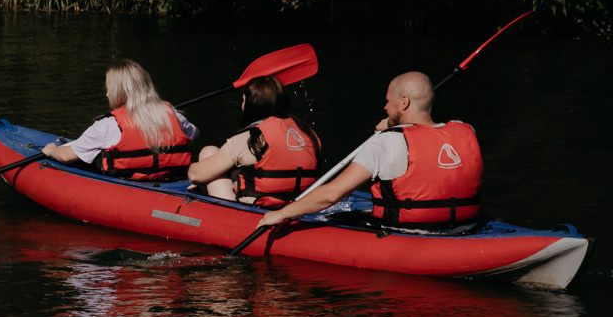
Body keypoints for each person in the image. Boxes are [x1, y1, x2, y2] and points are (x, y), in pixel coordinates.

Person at [254, 71, 483, 231]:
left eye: (388, 101)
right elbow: (425, 135)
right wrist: (395, 125)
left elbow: (332, 194)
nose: (385, 107)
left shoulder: (385, 142)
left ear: (404, 102)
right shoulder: (465, 129)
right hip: (467, 227)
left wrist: (281, 214)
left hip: (409, 232)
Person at [39, 59, 196, 180]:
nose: (107, 94)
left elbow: (66, 156)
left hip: (131, 179)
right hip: (170, 176)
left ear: (120, 91)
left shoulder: (108, 125)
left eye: (110, 89)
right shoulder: (172, 114)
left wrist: (53, 150)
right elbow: (193, 133)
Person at [185, 75, 321, 205]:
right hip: (297, 206)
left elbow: (195, 175)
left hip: (252, 210)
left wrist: (201, 180)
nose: (242, 106)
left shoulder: (251, 139)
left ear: (252, 105)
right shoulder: (308, 134)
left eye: (243, 101)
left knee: (208, 152)